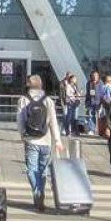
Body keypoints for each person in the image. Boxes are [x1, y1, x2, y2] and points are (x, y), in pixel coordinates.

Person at [17, 74, 63, 212]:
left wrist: (22, 134)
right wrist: (57, 140)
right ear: (41, 85)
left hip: (31, 139)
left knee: (31, 169)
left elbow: (20, 120)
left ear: (29, 85)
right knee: (43, 170)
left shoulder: (23, 100)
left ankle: (37, 192)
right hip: (46, 140)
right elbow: (53, 121)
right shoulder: (48, 100)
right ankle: (41, 191)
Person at [59, 71, 82, 136]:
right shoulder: (67, 85)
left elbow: (77, 93)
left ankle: (74, 131)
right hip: (69, 103)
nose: (75, 80)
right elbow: (67, 94)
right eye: (74, 79)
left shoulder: (75, 85)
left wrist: (79, 94)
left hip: (74, 103)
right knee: (68, 117)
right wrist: (74, 95)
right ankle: (67, 131)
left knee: (74, 117)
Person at [85, 70, 105, 136]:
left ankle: (101, 130)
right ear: (91, 76)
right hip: (91, 102)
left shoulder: (101, 83)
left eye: (96, 76)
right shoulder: (89, 83)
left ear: (98, 76)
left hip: (99, 102)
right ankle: (92, 129)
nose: (95, 77)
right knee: (91, 115)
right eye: (93, 76)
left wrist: (102, 102)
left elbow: (102, 93)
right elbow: (88, 93)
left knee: (100, 116)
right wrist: (86, 102)